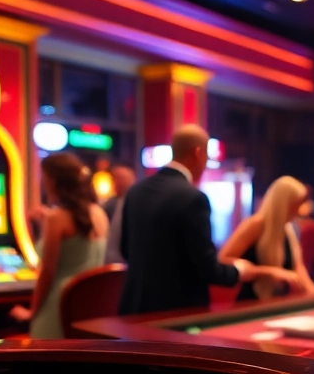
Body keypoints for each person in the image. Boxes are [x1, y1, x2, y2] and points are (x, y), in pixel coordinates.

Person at [118, 125, 292, 314]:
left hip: (134, 310)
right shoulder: (194, 198)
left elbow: (125, 249)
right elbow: (206, 268)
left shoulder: (135, 191)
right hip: (176, 314)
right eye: (207, 158)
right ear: (198, 153)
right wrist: (239, 271)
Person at [11, 153, 108, 338]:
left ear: (53, 180)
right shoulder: (98, 213)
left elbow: (47, 273)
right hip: (90, 309)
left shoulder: (56, 218)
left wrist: (32, 312)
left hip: (58, 306)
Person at [221, 176, 314, 301]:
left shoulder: (289, 228)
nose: (298, 211)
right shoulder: (255, 224)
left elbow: (298, 268)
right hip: (252, 301)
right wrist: (268, 272)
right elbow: (223, 259)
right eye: (295, 205)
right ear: (283, 204)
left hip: (278, 301)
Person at [102, 164, 136, 265]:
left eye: (117, 179)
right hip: (108, 262)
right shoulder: (110, 204)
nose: (114, 183)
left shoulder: (137, 203)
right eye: (114, 179)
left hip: (126, 263)